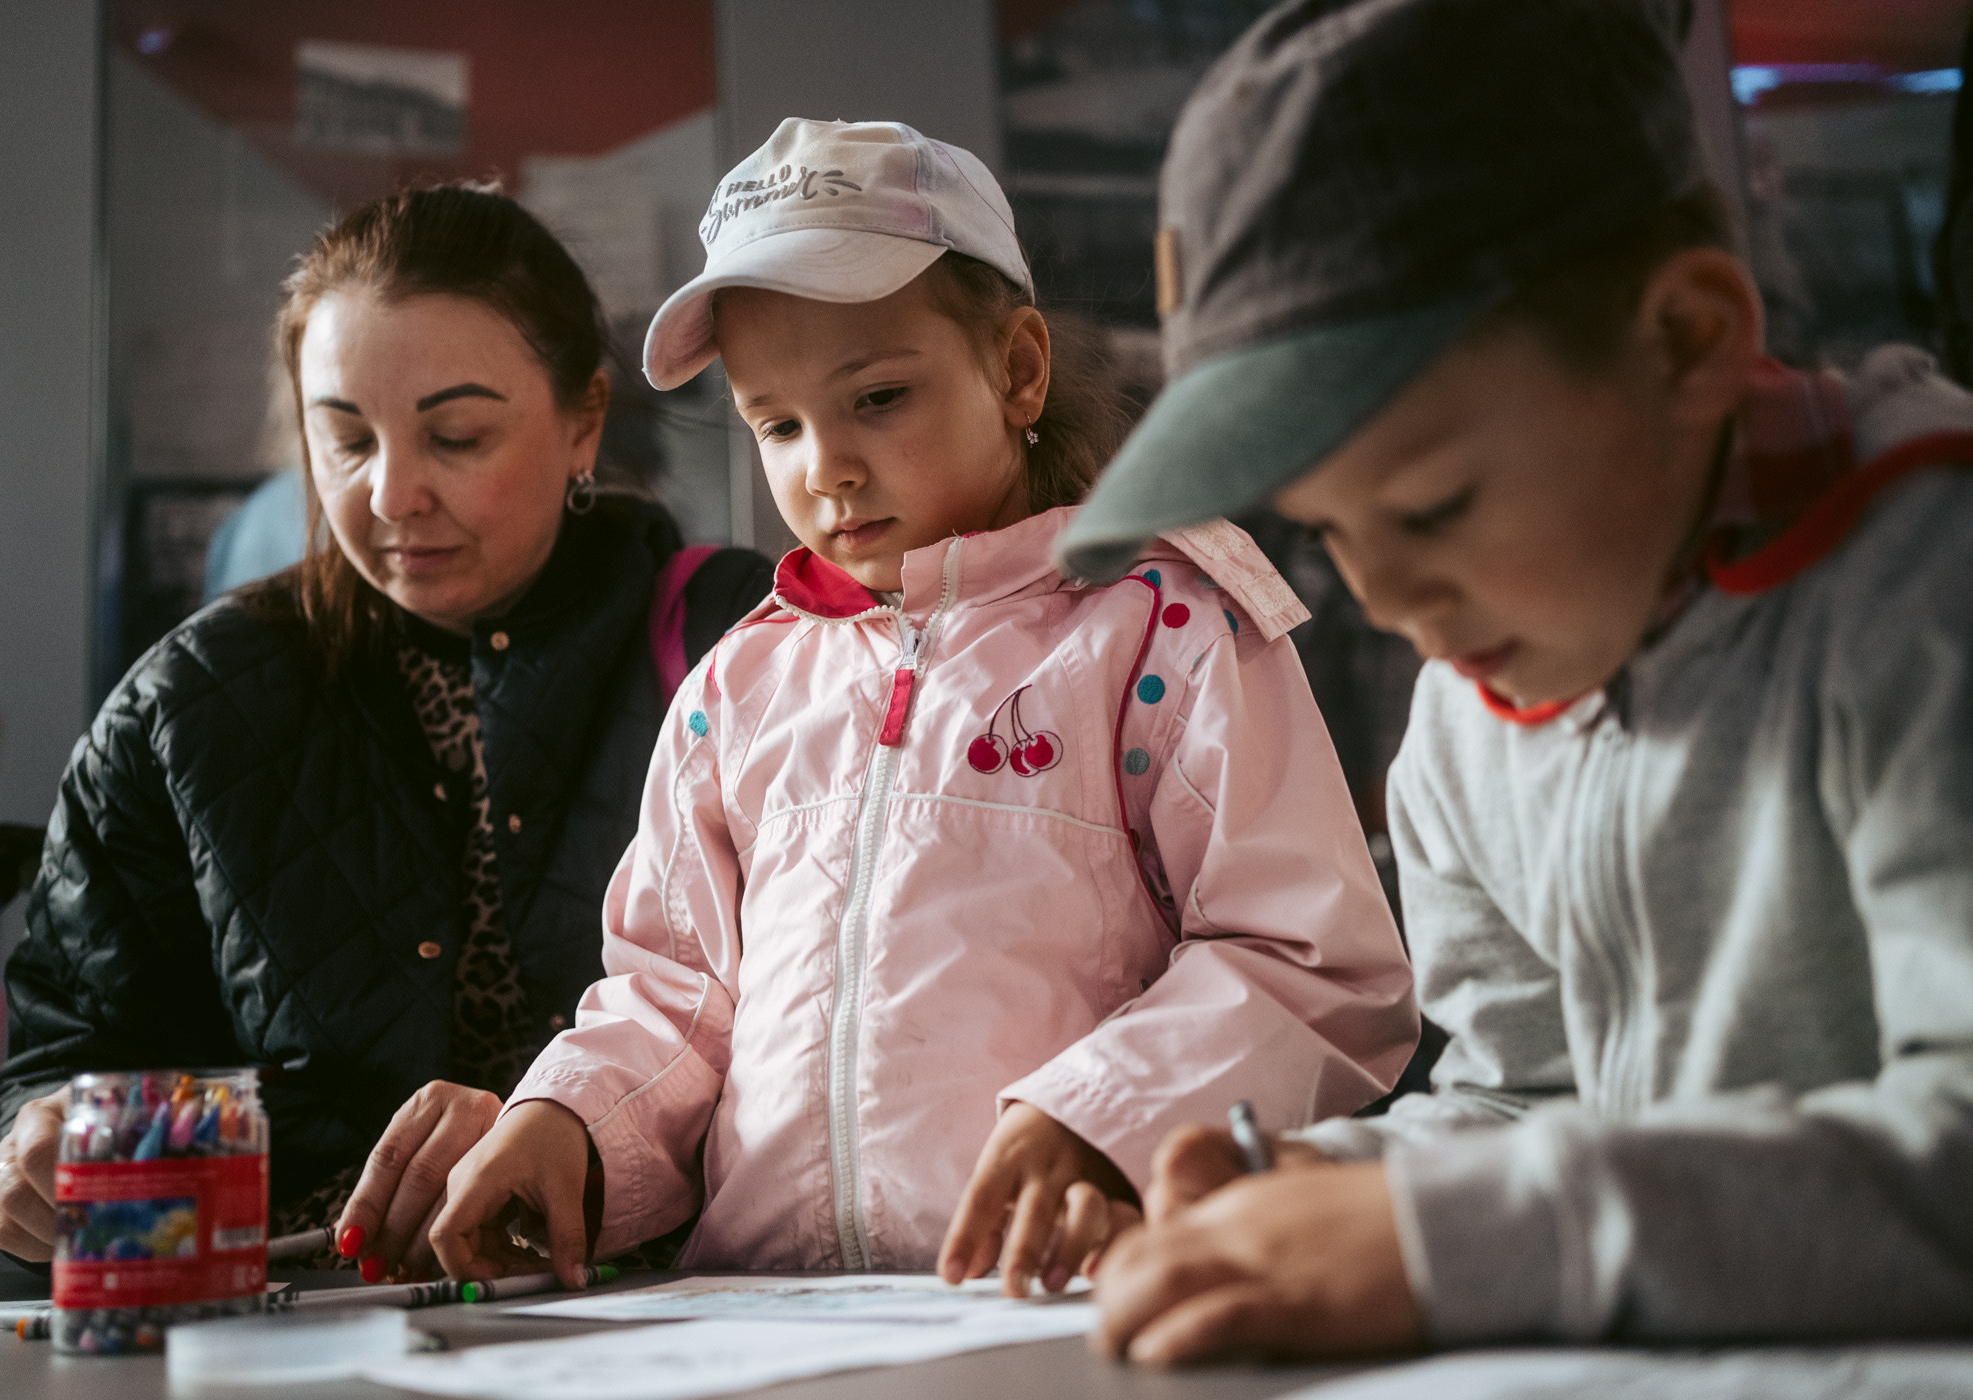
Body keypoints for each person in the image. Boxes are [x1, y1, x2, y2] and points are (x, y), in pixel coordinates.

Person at [1053, 0, 1973, 1361]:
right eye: (1333, 530)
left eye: (1432, 507)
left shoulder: (1927, 592)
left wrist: (1457, 1240)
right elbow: (1526, 1100)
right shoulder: (1466, 719)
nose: (1386, 600)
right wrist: (1353, 1191)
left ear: (1685, 338)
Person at [410, 118, 1418, 1296]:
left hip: (1070, 1298)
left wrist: (1101, 1114)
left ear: (1020, 369)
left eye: (878, 396)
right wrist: (572, 1117)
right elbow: (678, 993)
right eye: (777, 422)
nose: (824, 464)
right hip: (764, 1321)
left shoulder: (1164, 626)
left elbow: (1311, 963)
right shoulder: (741, 684)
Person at [0, 184, 773, 1271]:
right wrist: (30, 1146)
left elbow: (839, 1025)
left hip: (669, 1310)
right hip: (277, 1325)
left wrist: (561, 1110)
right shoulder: (188, 706)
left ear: (585, 420)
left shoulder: (748, 646)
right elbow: (72, 1044)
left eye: (456, 436)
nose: (393, 493)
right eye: (344, 439)